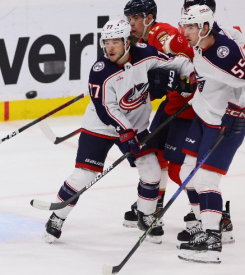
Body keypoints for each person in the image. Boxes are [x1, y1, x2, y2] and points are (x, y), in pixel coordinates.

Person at [42, 19, 194, 245]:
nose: (110, 47)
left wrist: (191, 75)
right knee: (84, 174)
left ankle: (146, 215)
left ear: (127, 42)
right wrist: (125, 132)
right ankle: (57, 217)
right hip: (100, 127)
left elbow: (176, 62)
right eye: (106, 42)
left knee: (151, 170)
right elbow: (106, 109)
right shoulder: (100, 71)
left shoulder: (145, 54)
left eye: (115, 42)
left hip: (136, 126)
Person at [177, 5, 245, 264]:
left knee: (206, 180)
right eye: (185, 26)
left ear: (205, 27)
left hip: (225, 123)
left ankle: (211, 239)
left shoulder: (222, 53)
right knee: (187, 172)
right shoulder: (204, 40)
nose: (186, 32)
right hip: (204, 115)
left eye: (191, 27)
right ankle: (213, 222)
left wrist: (240, 110)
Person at [122, 0, 196, 237]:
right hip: (172, 104)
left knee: (177, 168)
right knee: (154, 154)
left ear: (149, 18)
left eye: (135, 18)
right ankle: (154, 205)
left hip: (187, 107)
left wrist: (178, 79)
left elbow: (182, 59)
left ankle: (211, 214)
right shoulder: (141, 39)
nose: (131, 23)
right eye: (129, 18)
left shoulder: (160, 32)